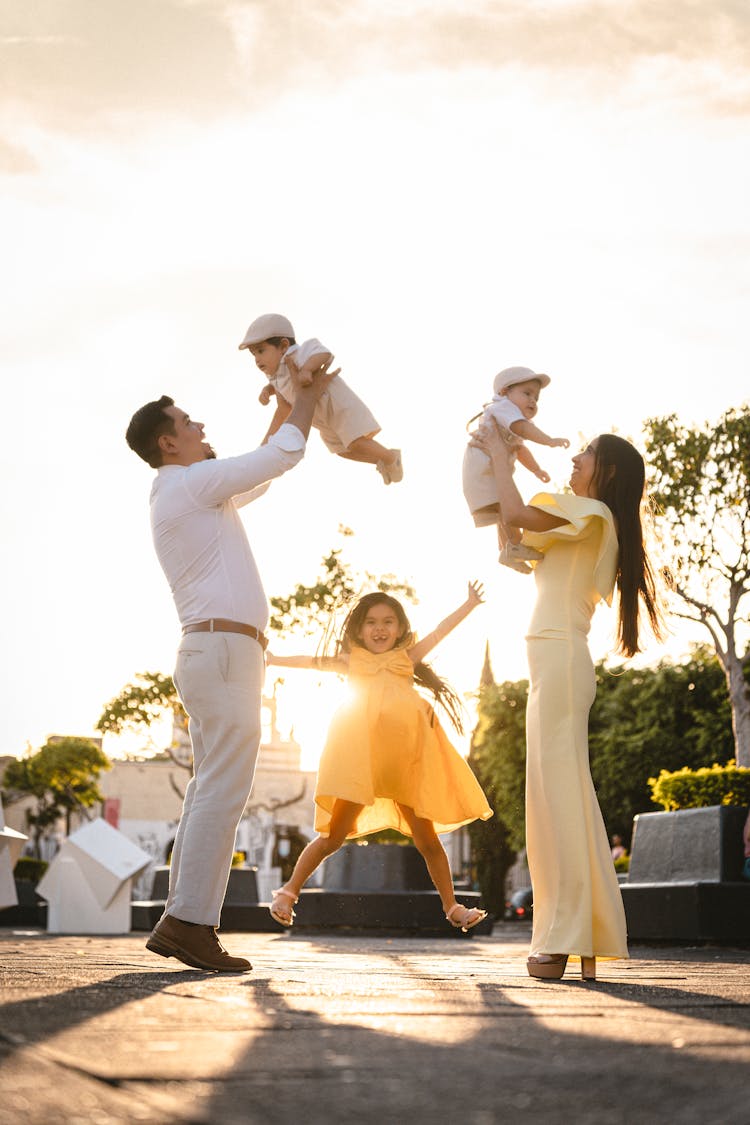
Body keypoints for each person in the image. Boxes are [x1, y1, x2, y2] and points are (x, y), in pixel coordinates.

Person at [125, 359, 335, 972]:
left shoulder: (188, 488)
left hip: (217, 652)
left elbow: (257, 474)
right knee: (221, 790)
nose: (200, 425)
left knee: (209, 790)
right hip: (220, 652)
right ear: (169, 443)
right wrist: (310, 397)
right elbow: (283, 456)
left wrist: (285, 400)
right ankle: (191, 922)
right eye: (189, 423)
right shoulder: (187, 484)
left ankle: (182, 919)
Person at [474, 423, 663, 981]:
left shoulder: (595, 515)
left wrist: (501, 459)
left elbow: (521, 512)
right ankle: (573, 933)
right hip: (550, 665)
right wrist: (494, 465)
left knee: (560, 799)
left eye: (585, 455)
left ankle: (569, 934)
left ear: (605, 473)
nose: (574, 460)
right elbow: (512, 539)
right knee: (552, 801)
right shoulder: (579, 522)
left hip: (560, 663)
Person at [265, 583, 493, 931]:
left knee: (428, 840)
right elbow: (309, 662)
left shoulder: (407, 658)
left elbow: (440, 631)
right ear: (358, 629)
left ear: (401, 628)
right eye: (371, 622)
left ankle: (453, 908)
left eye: (388, 621)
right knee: (333, 836)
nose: (380, 629)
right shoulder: (351, 662)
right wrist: (271, 659)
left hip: (407, 766)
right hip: (363, 767)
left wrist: (469, 604)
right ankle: (287, 892)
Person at [239, 312, 403, 485]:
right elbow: (282, 392)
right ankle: (380, 461)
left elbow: (323, 353)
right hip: (322, 420)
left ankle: (391, 456)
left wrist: (308, 369)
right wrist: (268, 390)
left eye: (261, 351)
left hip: (338, 407)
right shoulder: (274, 375)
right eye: (253, 354)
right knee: (341, 450)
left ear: (284, 346)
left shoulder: (299, 354)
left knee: (355, 443)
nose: (257, 359)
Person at [463, 366, 569, 572]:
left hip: (481, 467)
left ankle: (508, 551)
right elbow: (523, 430)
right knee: (505, 505)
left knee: (500, 509)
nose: (532, 401)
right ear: (504, 392)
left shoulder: (505, 415)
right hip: (484, 466)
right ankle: (515, 544)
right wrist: (548, 440)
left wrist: (537, 470)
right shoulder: (503, 407)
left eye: (536, 398)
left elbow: (519, 448)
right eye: (527, 393)